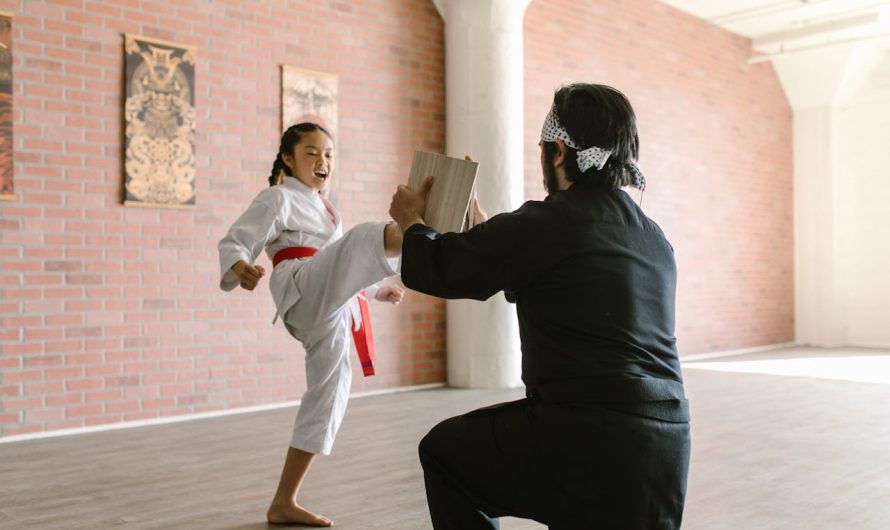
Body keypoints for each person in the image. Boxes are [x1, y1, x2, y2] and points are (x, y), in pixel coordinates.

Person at [389, 84, 690, 529]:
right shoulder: (653, 235)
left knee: (446, 454)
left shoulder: (550, 221)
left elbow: (440, 268)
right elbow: (562, 284)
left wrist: (411, 221)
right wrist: (486, 233)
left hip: (585, 437)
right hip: (666, 447)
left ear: (558, 151)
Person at [218, 122, 405, 526]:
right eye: (312, 152)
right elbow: (235, 238)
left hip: (328, 305)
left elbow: (338, 268)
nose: (323, 161)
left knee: (331, 392)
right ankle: (417, 233)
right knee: (361, 239)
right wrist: (240, 265)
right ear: (288, 158)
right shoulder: (278, 197)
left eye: (329, 154)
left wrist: (376, 290)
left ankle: (284, 501)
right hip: (300, 286)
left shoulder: (326, 207)